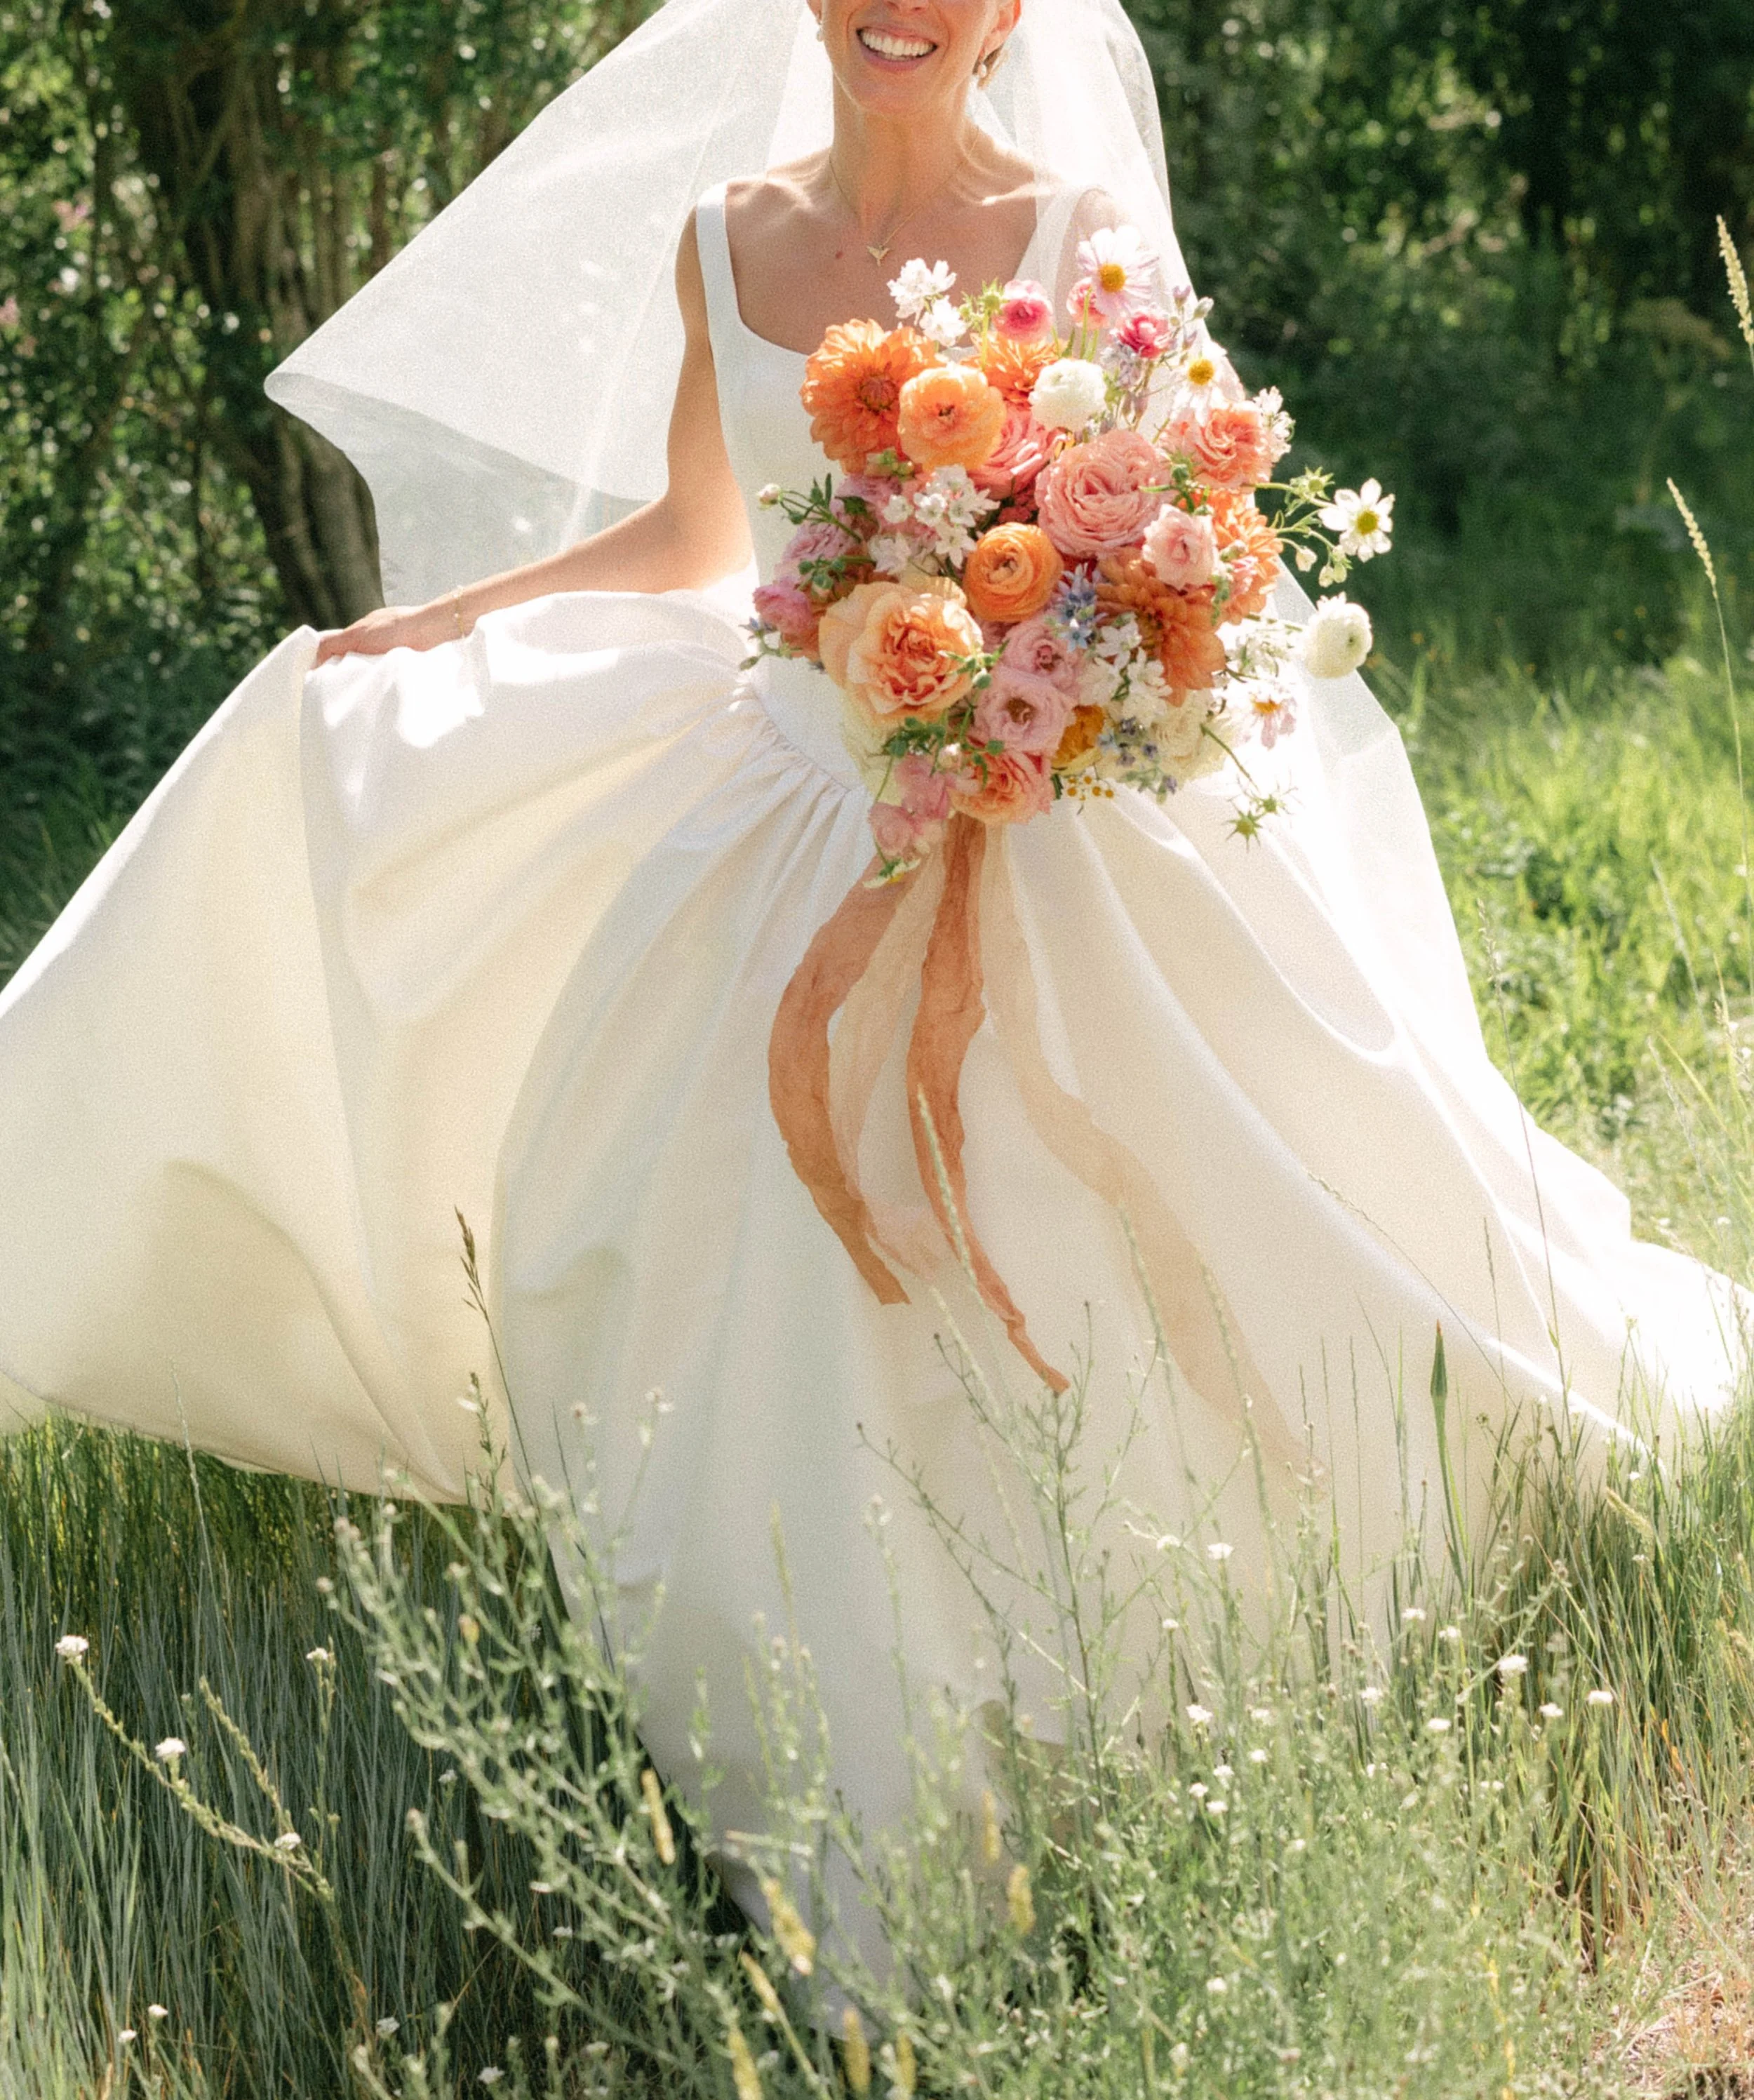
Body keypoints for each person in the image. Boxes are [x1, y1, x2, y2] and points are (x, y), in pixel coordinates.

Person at [0, 0, 1741, 1964]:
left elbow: (1200, 543)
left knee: (1125, 1220)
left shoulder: (1079, 227)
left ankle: (1158, 1700)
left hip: (1055, 823)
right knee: (705, 1255)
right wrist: (425, 629)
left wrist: (1088, 664)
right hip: (796, 802)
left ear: (1005, 13)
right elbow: (691, 539)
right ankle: (849, 1762)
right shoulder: (722, 235)